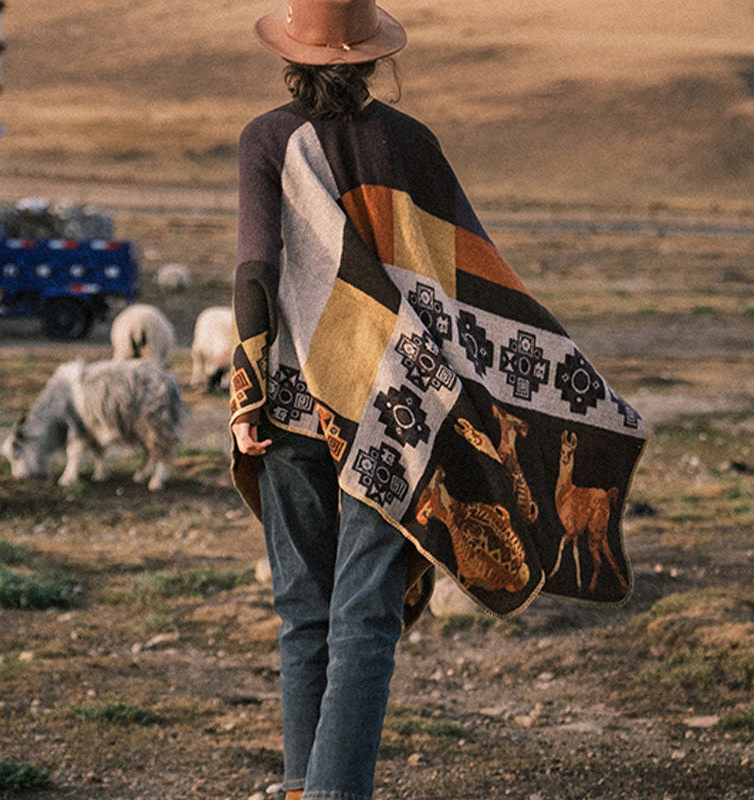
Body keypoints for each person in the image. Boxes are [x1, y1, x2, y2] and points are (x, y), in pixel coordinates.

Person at [229, 1, 646, 799]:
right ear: (372, 59)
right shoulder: (411, 144)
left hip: (289, 402)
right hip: (399, 412)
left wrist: (246, 392)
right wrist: (572, 390)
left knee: (303, 612)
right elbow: (470, 290)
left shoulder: (266, 139)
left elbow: (256, 270)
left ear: (292, 57)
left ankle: (298, 786)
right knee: (364, 619)